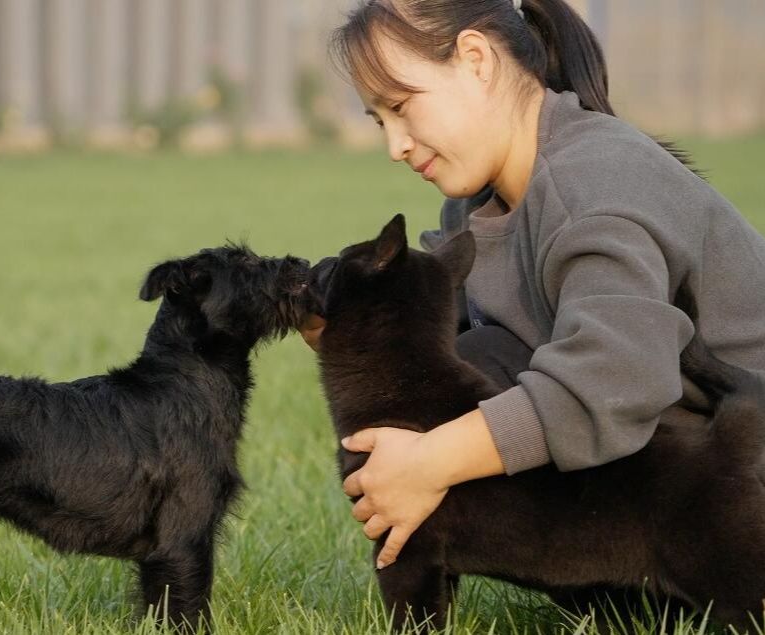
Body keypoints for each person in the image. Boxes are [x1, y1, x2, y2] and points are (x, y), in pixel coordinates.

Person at [300, 0, 765, 571]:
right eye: (379, 122)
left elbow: (616, 376)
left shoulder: (590, 183)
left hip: (740, 478)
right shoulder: (476, 205)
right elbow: (441, 346)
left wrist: (429, 461)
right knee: (465, 362)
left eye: (401, 107)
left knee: (473, 385)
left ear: (476, 59)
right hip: (689, 467)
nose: (394, 145)